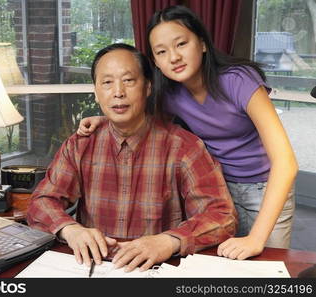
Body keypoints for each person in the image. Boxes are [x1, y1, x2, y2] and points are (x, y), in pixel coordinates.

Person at [77, 5, 298, 260]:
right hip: (218, 191)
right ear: (156, 62)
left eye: (181, 44)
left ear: (202, 43)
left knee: (266, 271)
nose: (173, 57)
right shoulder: (169, 94)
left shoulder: (239, 80)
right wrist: (103, 120)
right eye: (161, 51)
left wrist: (257, 238)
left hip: (265, 188)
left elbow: (286, 162)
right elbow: (133, 112)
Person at [27, 43, 237, 272]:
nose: (118, 92)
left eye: (128, 80)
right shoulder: (80, 144)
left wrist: (169, 240)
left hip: (156, 270)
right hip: (91, 268)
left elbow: (222, 216)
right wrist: (70, 230)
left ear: (147, 87)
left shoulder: (184, 147)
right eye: (107, 82)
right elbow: (42, 202)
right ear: (96, 92)